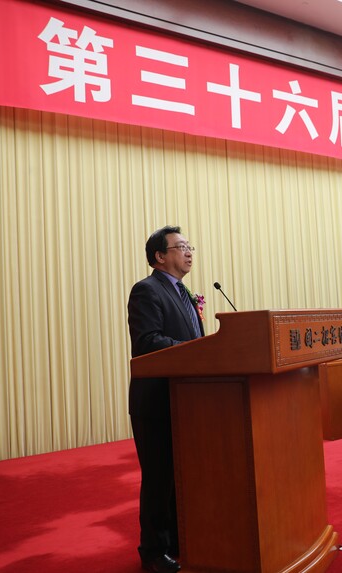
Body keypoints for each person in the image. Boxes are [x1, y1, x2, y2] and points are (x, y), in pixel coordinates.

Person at [128, 225, 203, 573]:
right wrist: (197, 350)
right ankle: (154, 552)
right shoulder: (146, 290)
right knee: (159, 479)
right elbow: (147, 342)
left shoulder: (182, 292)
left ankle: (175, 540)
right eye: (181, 246)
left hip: (184, 399)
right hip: (156, 401)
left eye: (189, 247)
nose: (188, 252)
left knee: (180, 476)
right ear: (160, 256)